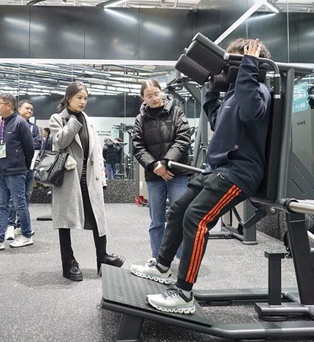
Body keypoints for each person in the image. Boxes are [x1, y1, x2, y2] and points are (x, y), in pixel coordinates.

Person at [130, 38, 272, 314]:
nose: (227, 70)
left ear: (249, 65)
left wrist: (249, 66)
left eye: (233, 63)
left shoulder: (258, 90)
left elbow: (253, 111)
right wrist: (210, 90)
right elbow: (218, 121)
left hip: (239, 173)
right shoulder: (234, 94)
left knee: (197, 218)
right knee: (179, 210)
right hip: (217, 170)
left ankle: (184, 293)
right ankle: (162, 266)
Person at [49, 81, 125, 281]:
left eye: (85, 98)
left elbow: (97, 151)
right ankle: (69, 263)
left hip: (90, 178)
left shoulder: (88, 120)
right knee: (65, 223)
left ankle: (103, 258)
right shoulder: (58, 118)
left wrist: (102, 178)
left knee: (98, 219)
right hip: (68, 179)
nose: (83, 102)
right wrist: (72, 122)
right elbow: (60, 142)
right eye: (79, 98)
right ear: (68, 98)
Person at [132, 79, 191, 261]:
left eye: (156, 94)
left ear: (162, 91)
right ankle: (157, 260)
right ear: (143, 98)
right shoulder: (140, 119)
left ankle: (183, 260)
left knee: (179, 217)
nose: (154, 98)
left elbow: (183, 139)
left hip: (177, 174)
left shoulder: (176, 112)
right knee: (156, 221)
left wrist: (165, 162)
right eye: (149, 96)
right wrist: (154, 166)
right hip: (154, 175)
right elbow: (138, 147)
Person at [0, 93, 35, 253]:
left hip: (16, 171)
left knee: (20, 204)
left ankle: (26, 235)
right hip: (0, 172)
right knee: (1, 206)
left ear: (9, 106)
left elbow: (30, 148)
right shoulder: (0, 123)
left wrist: (24, 168)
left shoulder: (20, 123)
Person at [5, 99, 42, 240]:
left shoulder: (34, 128)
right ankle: (10, 226)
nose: (29, 111)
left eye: (31, 109)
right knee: (14, 198)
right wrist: (26, 143)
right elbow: (10, 143)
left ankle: (21, 225)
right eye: (27, 108)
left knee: (26, 196)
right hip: (15, 168)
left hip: (30, 167)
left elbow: (38, 143)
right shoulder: (11, 124)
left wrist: (24, 143)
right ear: (19, 109)